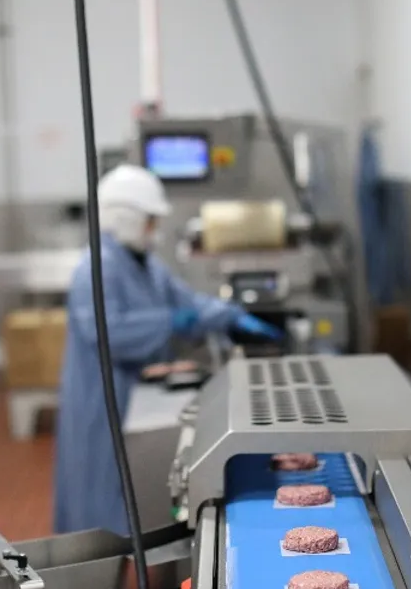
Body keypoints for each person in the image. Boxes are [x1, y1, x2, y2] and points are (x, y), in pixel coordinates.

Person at [53, 164, 281, 536]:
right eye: (149, 222)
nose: (153, 232)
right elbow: (109, 331)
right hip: (101, 396)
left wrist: (230, 316)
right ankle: (100, 569)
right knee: (98, 485)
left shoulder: (145, 264)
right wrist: (172, 322)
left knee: (129, 485)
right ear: (125, 218)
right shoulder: (96, 267)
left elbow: (186, 300)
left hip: (135, 391)